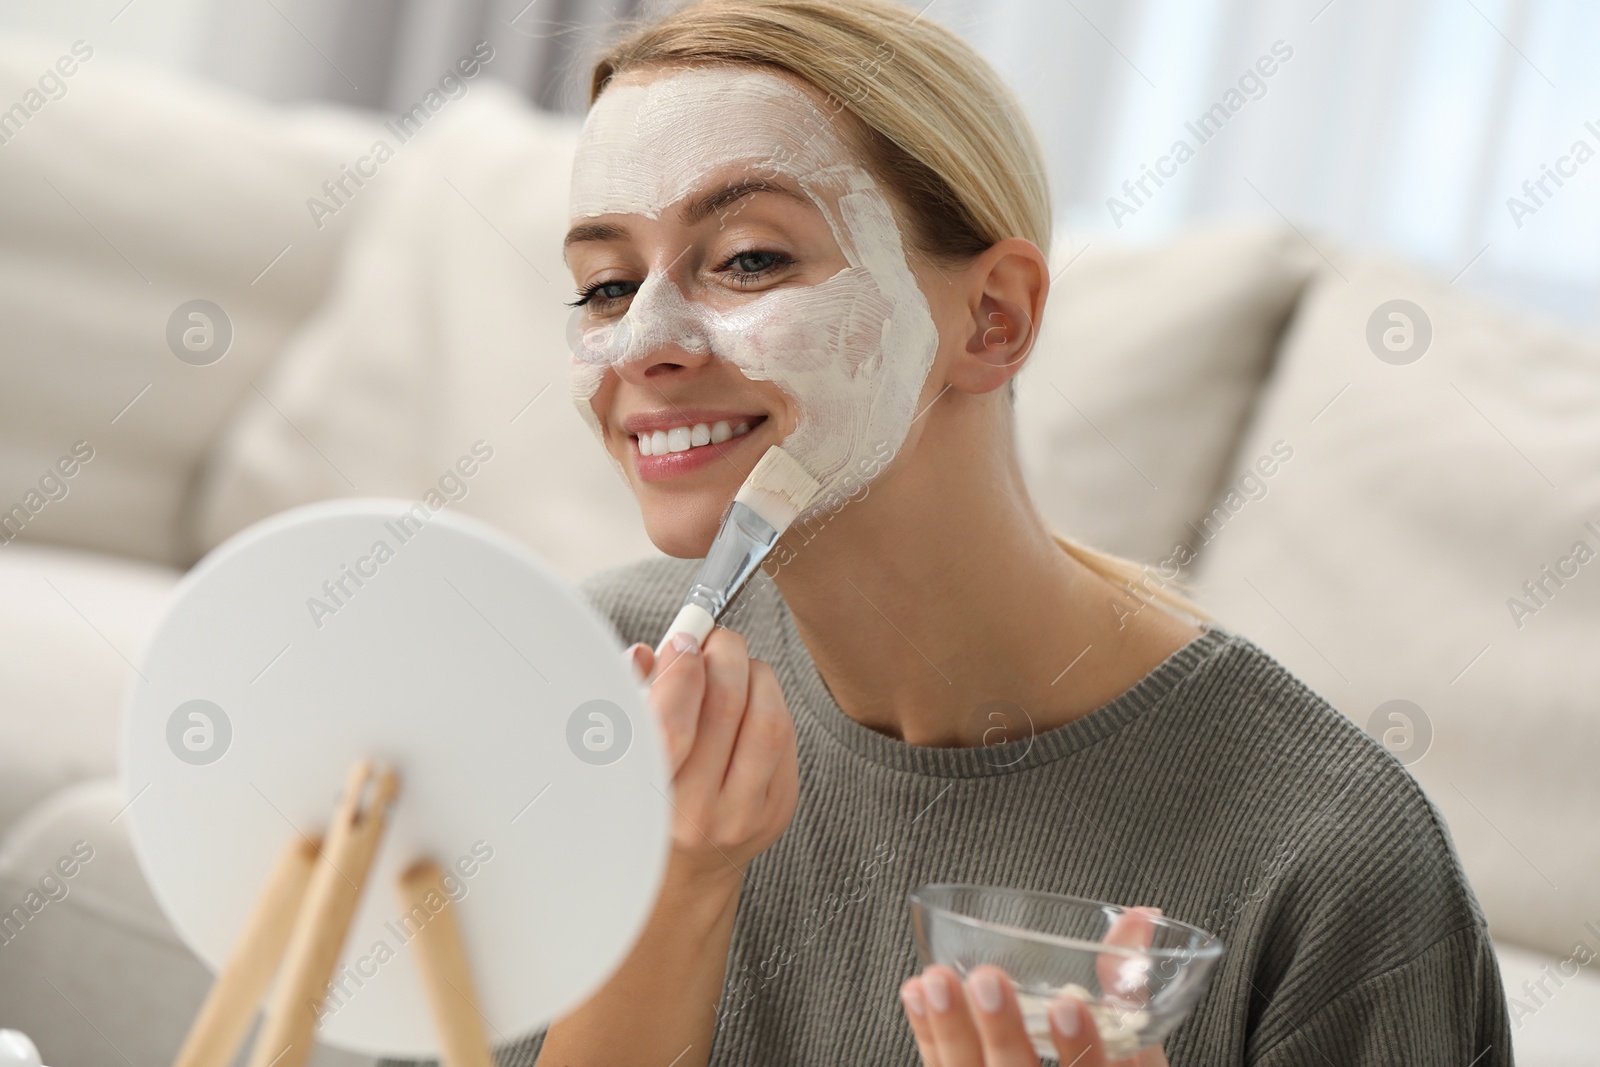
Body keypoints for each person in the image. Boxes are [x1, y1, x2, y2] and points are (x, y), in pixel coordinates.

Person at [386, 1, 1512, 1064]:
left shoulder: (1328, 858)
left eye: (747, 259)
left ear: (993, 317)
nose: (642, 342)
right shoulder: (594, 680)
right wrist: (670, 886)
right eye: (604, 284)